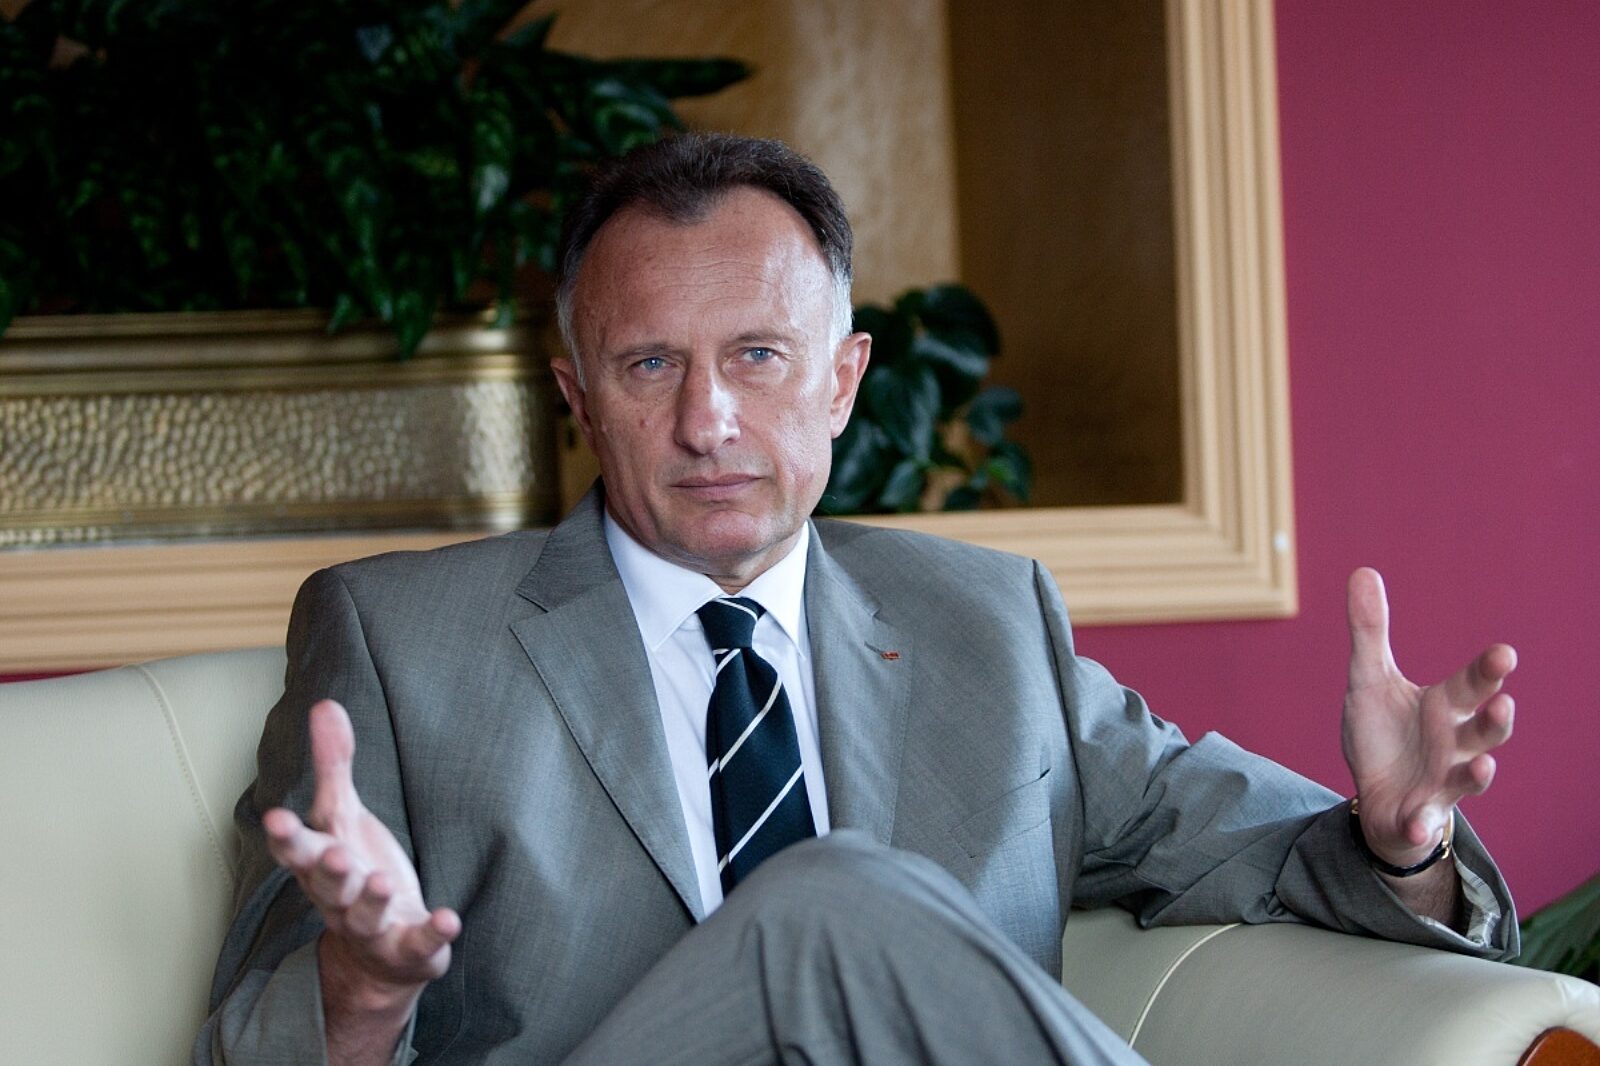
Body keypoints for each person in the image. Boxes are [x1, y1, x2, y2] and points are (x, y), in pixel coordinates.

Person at [198, 134, 1518, 1065]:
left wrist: (1405, 837)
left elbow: (1267, 853)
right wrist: (362, 986)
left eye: (759, 357)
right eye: (649, 365)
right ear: (578, 399)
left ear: (842, 382)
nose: (708, 420)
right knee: (827, 900)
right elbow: (239, 1047)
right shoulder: (398, 644)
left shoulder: (987, 623)